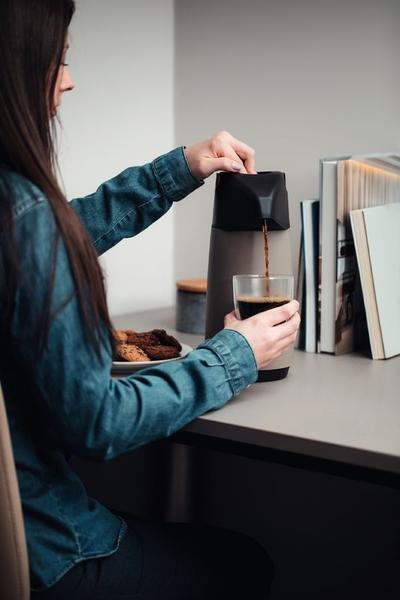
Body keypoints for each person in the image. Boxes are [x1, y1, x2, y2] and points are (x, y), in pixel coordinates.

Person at [0, 1, 300, 598]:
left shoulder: (19, 209)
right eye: (58, 58)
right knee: (246, 562)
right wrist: (233, 354)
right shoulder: (25, 213)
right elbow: (98, 421)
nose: (69, 77)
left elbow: (59, 233)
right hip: (54, 554)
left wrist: (178, 170)